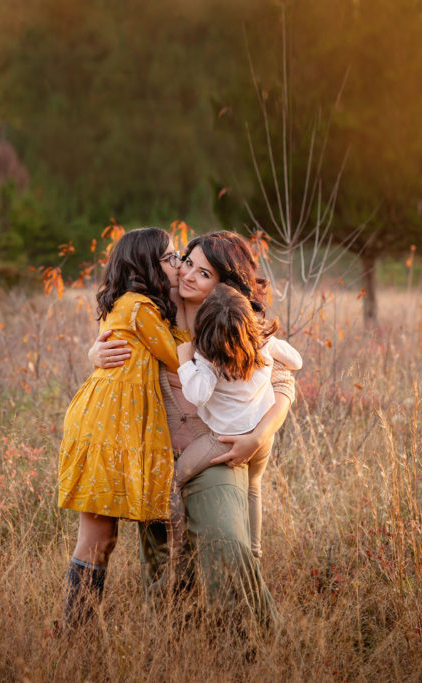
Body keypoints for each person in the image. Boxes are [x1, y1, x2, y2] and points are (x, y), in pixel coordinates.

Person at [89, 231, 297, 634]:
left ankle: (253, 642)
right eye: (185, 261)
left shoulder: (229, 318)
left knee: (226, 542)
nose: (187, 273)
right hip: (155, 451)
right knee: (168, 565)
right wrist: (94, 354)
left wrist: (259, 436)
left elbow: (284, 380)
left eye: (203, 272)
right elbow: (113, 361)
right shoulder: (152, 309)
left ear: (223, 284)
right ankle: (179, 644)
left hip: (216, 448)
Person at [57, 227, 183, 629]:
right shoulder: (139, 307)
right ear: (147, 265)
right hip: (109, 429)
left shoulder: (128, 304)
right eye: (170, 258)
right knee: (98, 539)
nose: (177, 264)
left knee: (102, 539)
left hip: (107, 422)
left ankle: (77, 631)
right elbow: (177, 357)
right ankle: (74, 633)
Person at [172, 283, 302, 562]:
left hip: (222, 440)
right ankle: (255, 554)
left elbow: (198, 395)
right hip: (261, 435)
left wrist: (185, 360)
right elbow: (296, 362)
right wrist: (268, 339)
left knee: (176, 478)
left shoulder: (209, 356)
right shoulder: (263, 343)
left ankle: (179, 553)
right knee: (253, 488)